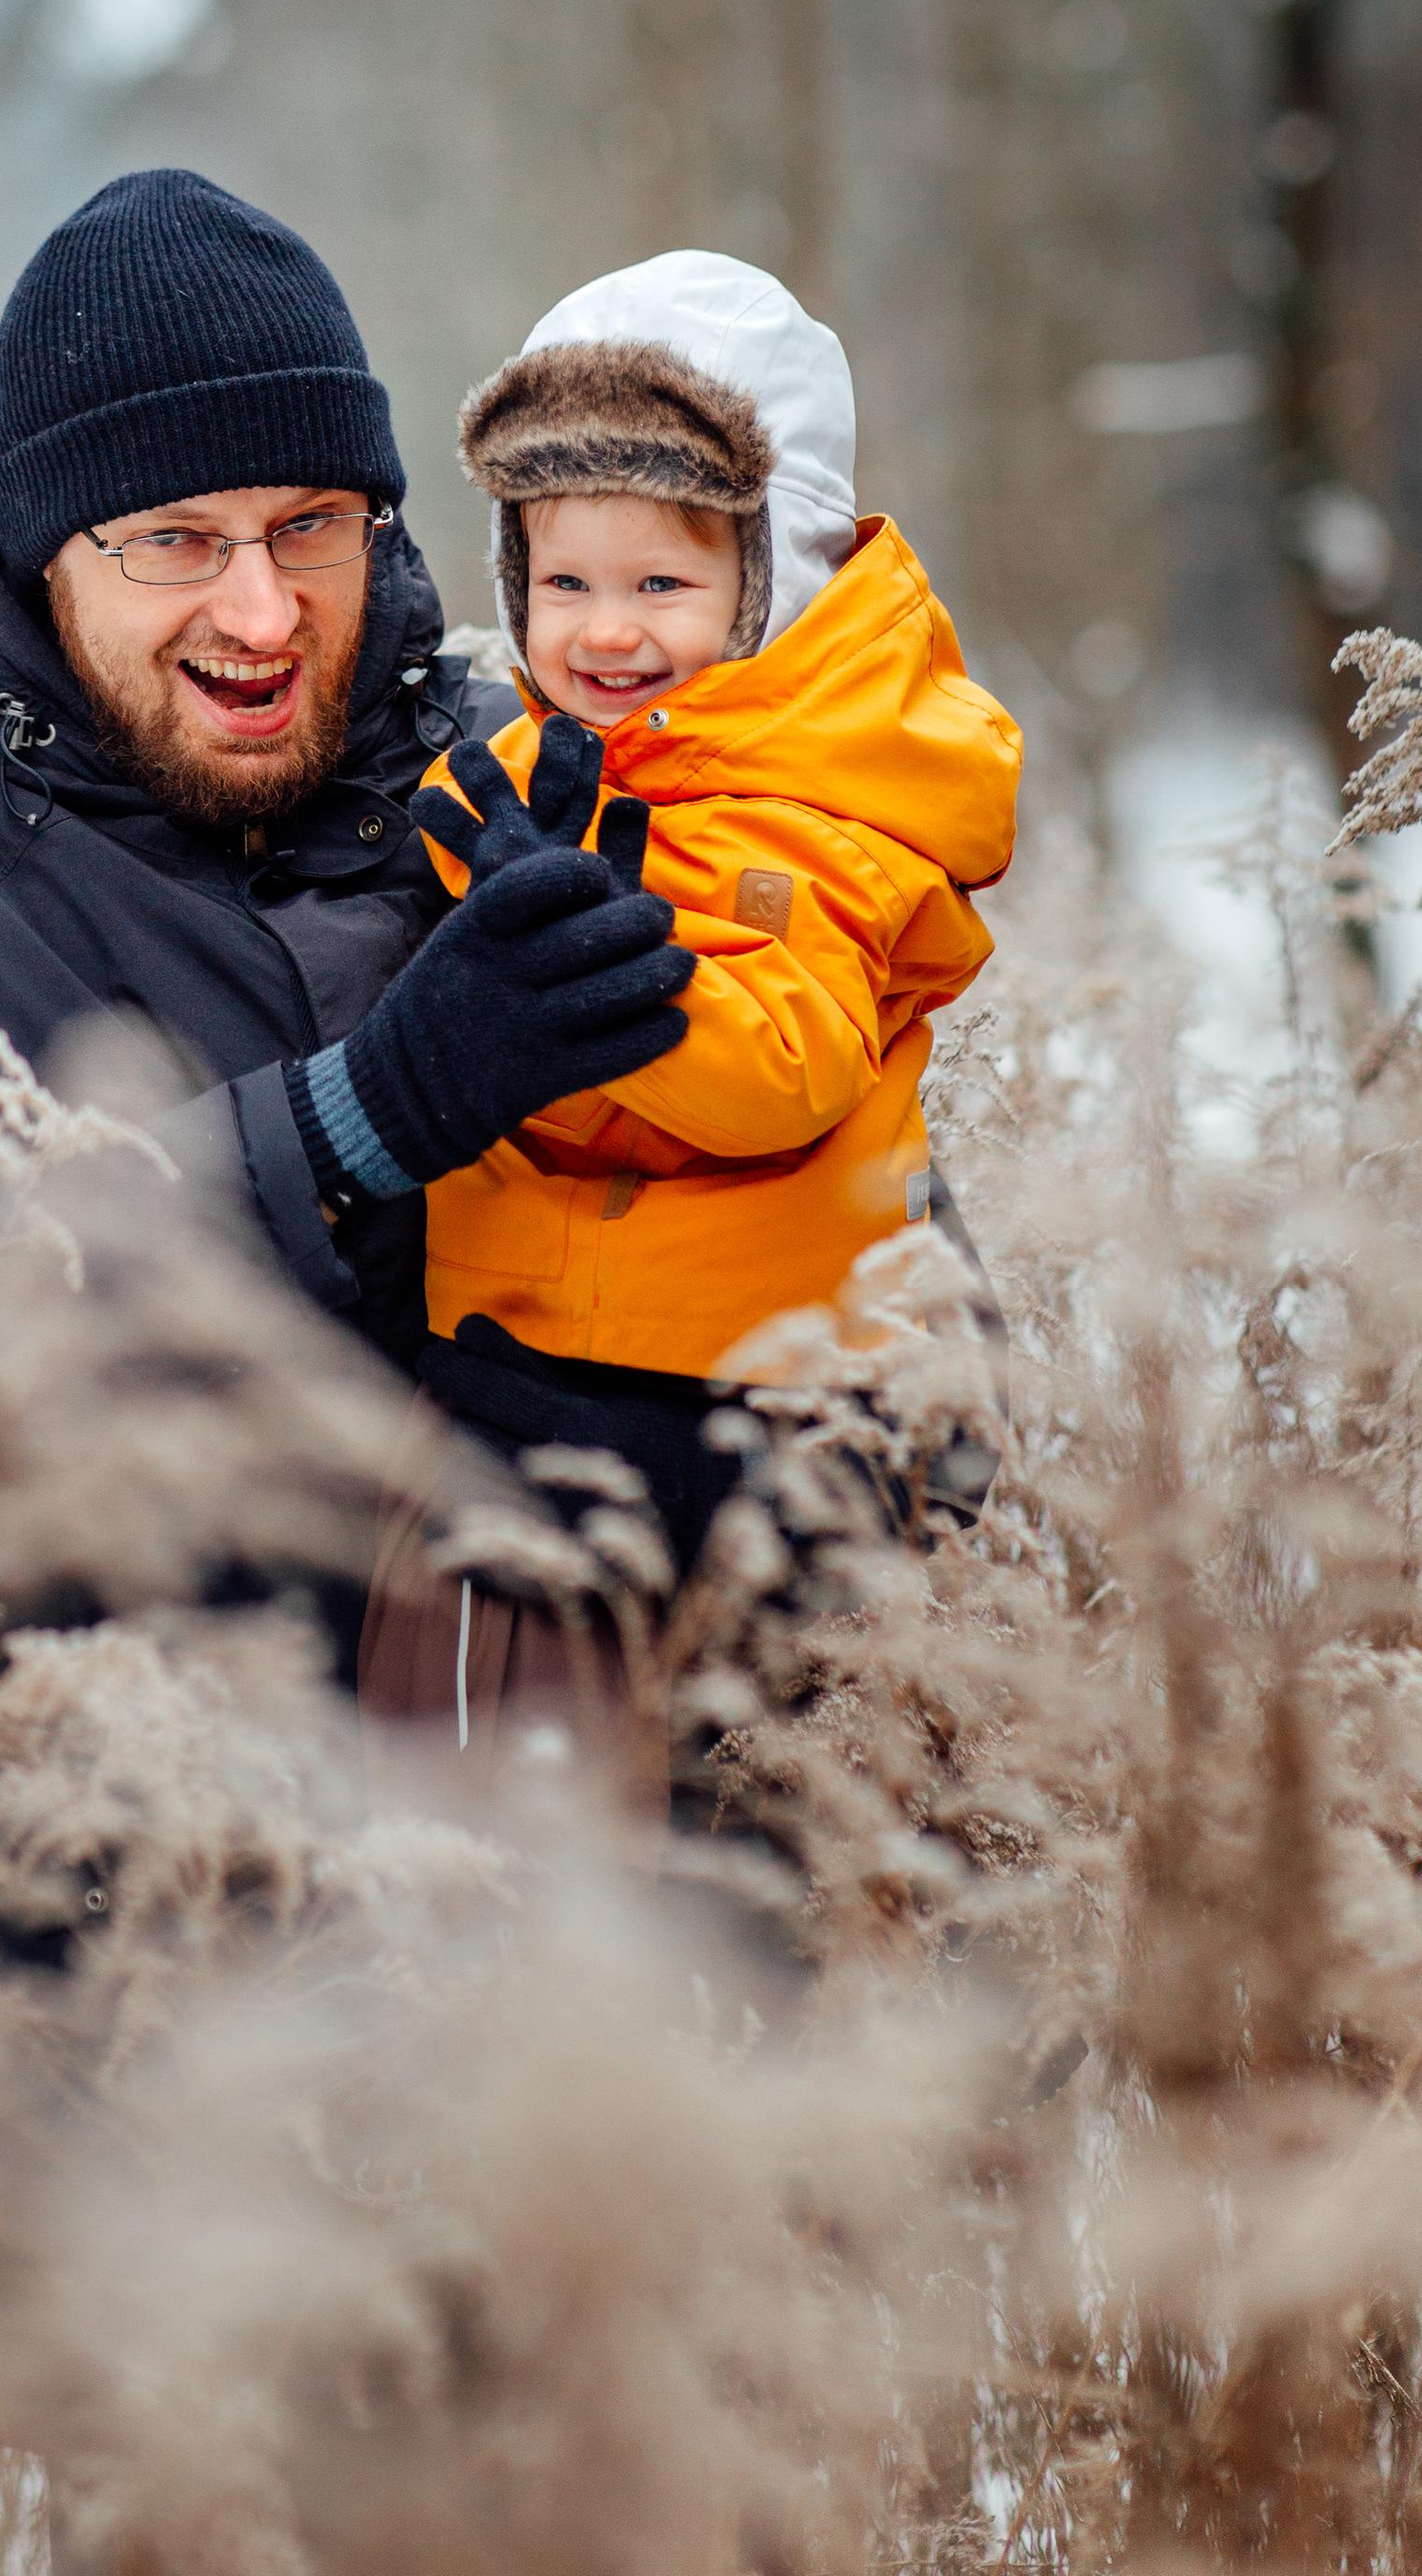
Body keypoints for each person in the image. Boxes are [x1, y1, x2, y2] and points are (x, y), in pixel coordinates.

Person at [0, 167, 696, 1702]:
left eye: (310, 527)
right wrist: (360, 1118)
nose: (264, 612)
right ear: (45, 549)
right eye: (174, 540)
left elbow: (872, 1288)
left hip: (572, 1873)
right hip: (121, 1890)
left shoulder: (534, 773)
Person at [350, 249, 1022, 1743]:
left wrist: (599, 959)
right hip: (517, 1390)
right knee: (487, 1816)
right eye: (564, 580)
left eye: (662, 581)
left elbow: (782, 1069)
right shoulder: (532, 773)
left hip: (752, 1415)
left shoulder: (832, 809)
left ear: (767, 579)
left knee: (767, 1821)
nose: (605, 629)